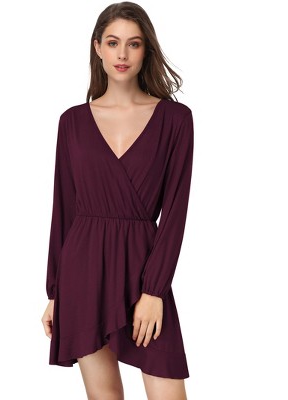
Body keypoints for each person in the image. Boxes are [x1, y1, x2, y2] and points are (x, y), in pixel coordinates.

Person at [41, 2, 194, 399]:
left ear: (146, 50)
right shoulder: (72, 122)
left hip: (144, 270)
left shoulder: (175, 120)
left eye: (133, 43)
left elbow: (175, 213)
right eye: (112, 42)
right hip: (82, 273)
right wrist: (55, 293)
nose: (122, 54)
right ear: (97, 47)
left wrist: (154, 291)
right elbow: (63, 210)